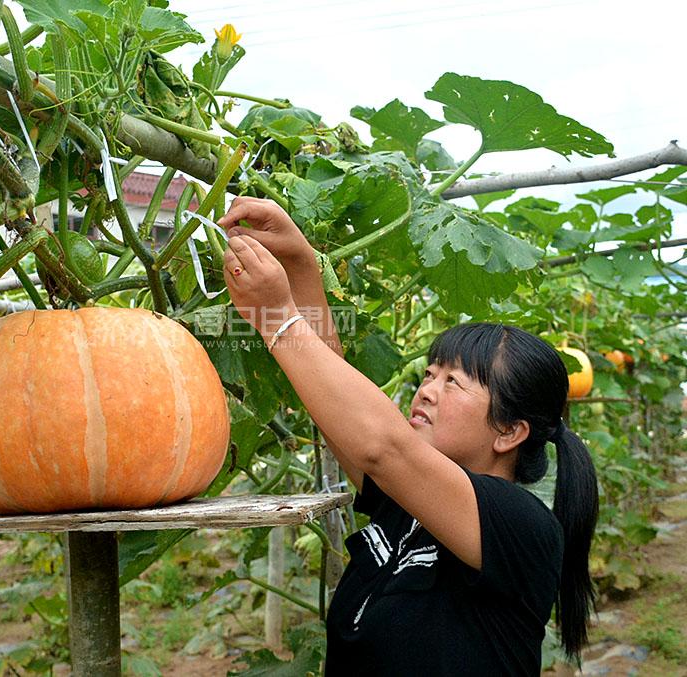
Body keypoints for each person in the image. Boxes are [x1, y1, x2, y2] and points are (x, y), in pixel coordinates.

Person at [216, 197, 599, 675]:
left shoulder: (521, 525)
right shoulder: (408, 503)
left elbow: (383, 445)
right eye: (430, 373)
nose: (428, 390)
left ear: (509, 431)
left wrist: (277, 319)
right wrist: (301, 263)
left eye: (454, 382)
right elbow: (340, 398)